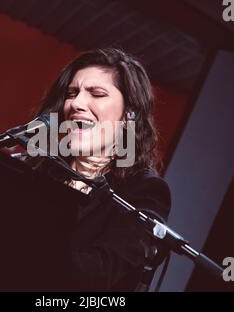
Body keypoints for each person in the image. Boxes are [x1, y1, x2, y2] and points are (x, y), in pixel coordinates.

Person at [25, 48, 171, 291]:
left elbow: (96, 276)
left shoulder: (145, 191)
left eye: (97, 94)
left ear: (128, 115)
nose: (76, 103)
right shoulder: (41, 166)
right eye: (72, 93)